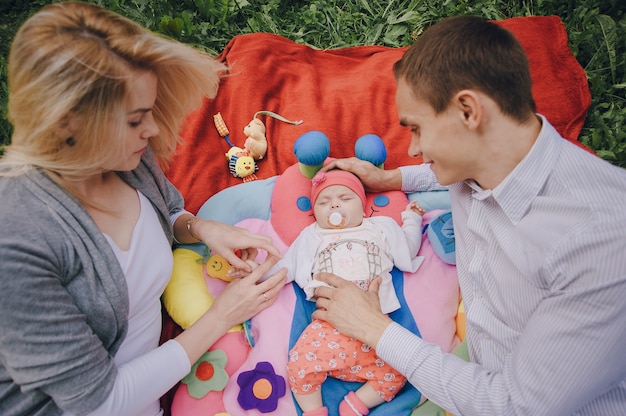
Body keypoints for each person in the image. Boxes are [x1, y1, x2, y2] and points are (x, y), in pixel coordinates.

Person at [315, 15, 626, 416]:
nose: (411, 148)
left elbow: (514, 407)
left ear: (468, 111)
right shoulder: (483, 161)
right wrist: (390, 177)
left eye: (416, 129)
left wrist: (375, 328)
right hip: (476, 365)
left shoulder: (600, 241)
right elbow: (442, 168)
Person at [0, 2, 286, 416]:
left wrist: (202, 228)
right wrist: (223, 316)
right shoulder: (17, 244)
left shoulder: (120, 159)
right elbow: (100, 402)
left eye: (149, 112)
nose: (151, 130)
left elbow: (166, 211)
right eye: (135, 120)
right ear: (66, 124)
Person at [271, 169, 426, 416]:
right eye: (324, 201)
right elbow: (285, 267)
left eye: (345, 198)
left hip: (374, 323)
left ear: (363, 208)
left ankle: (356, 405)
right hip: (329, 325)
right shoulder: (312, 236)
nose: (334, 204)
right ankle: (313, 412)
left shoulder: (378, 228)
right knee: (299, 362)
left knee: (401, 367)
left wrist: (412, 220)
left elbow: (407, 248)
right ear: (315, 214)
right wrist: (257, 275)